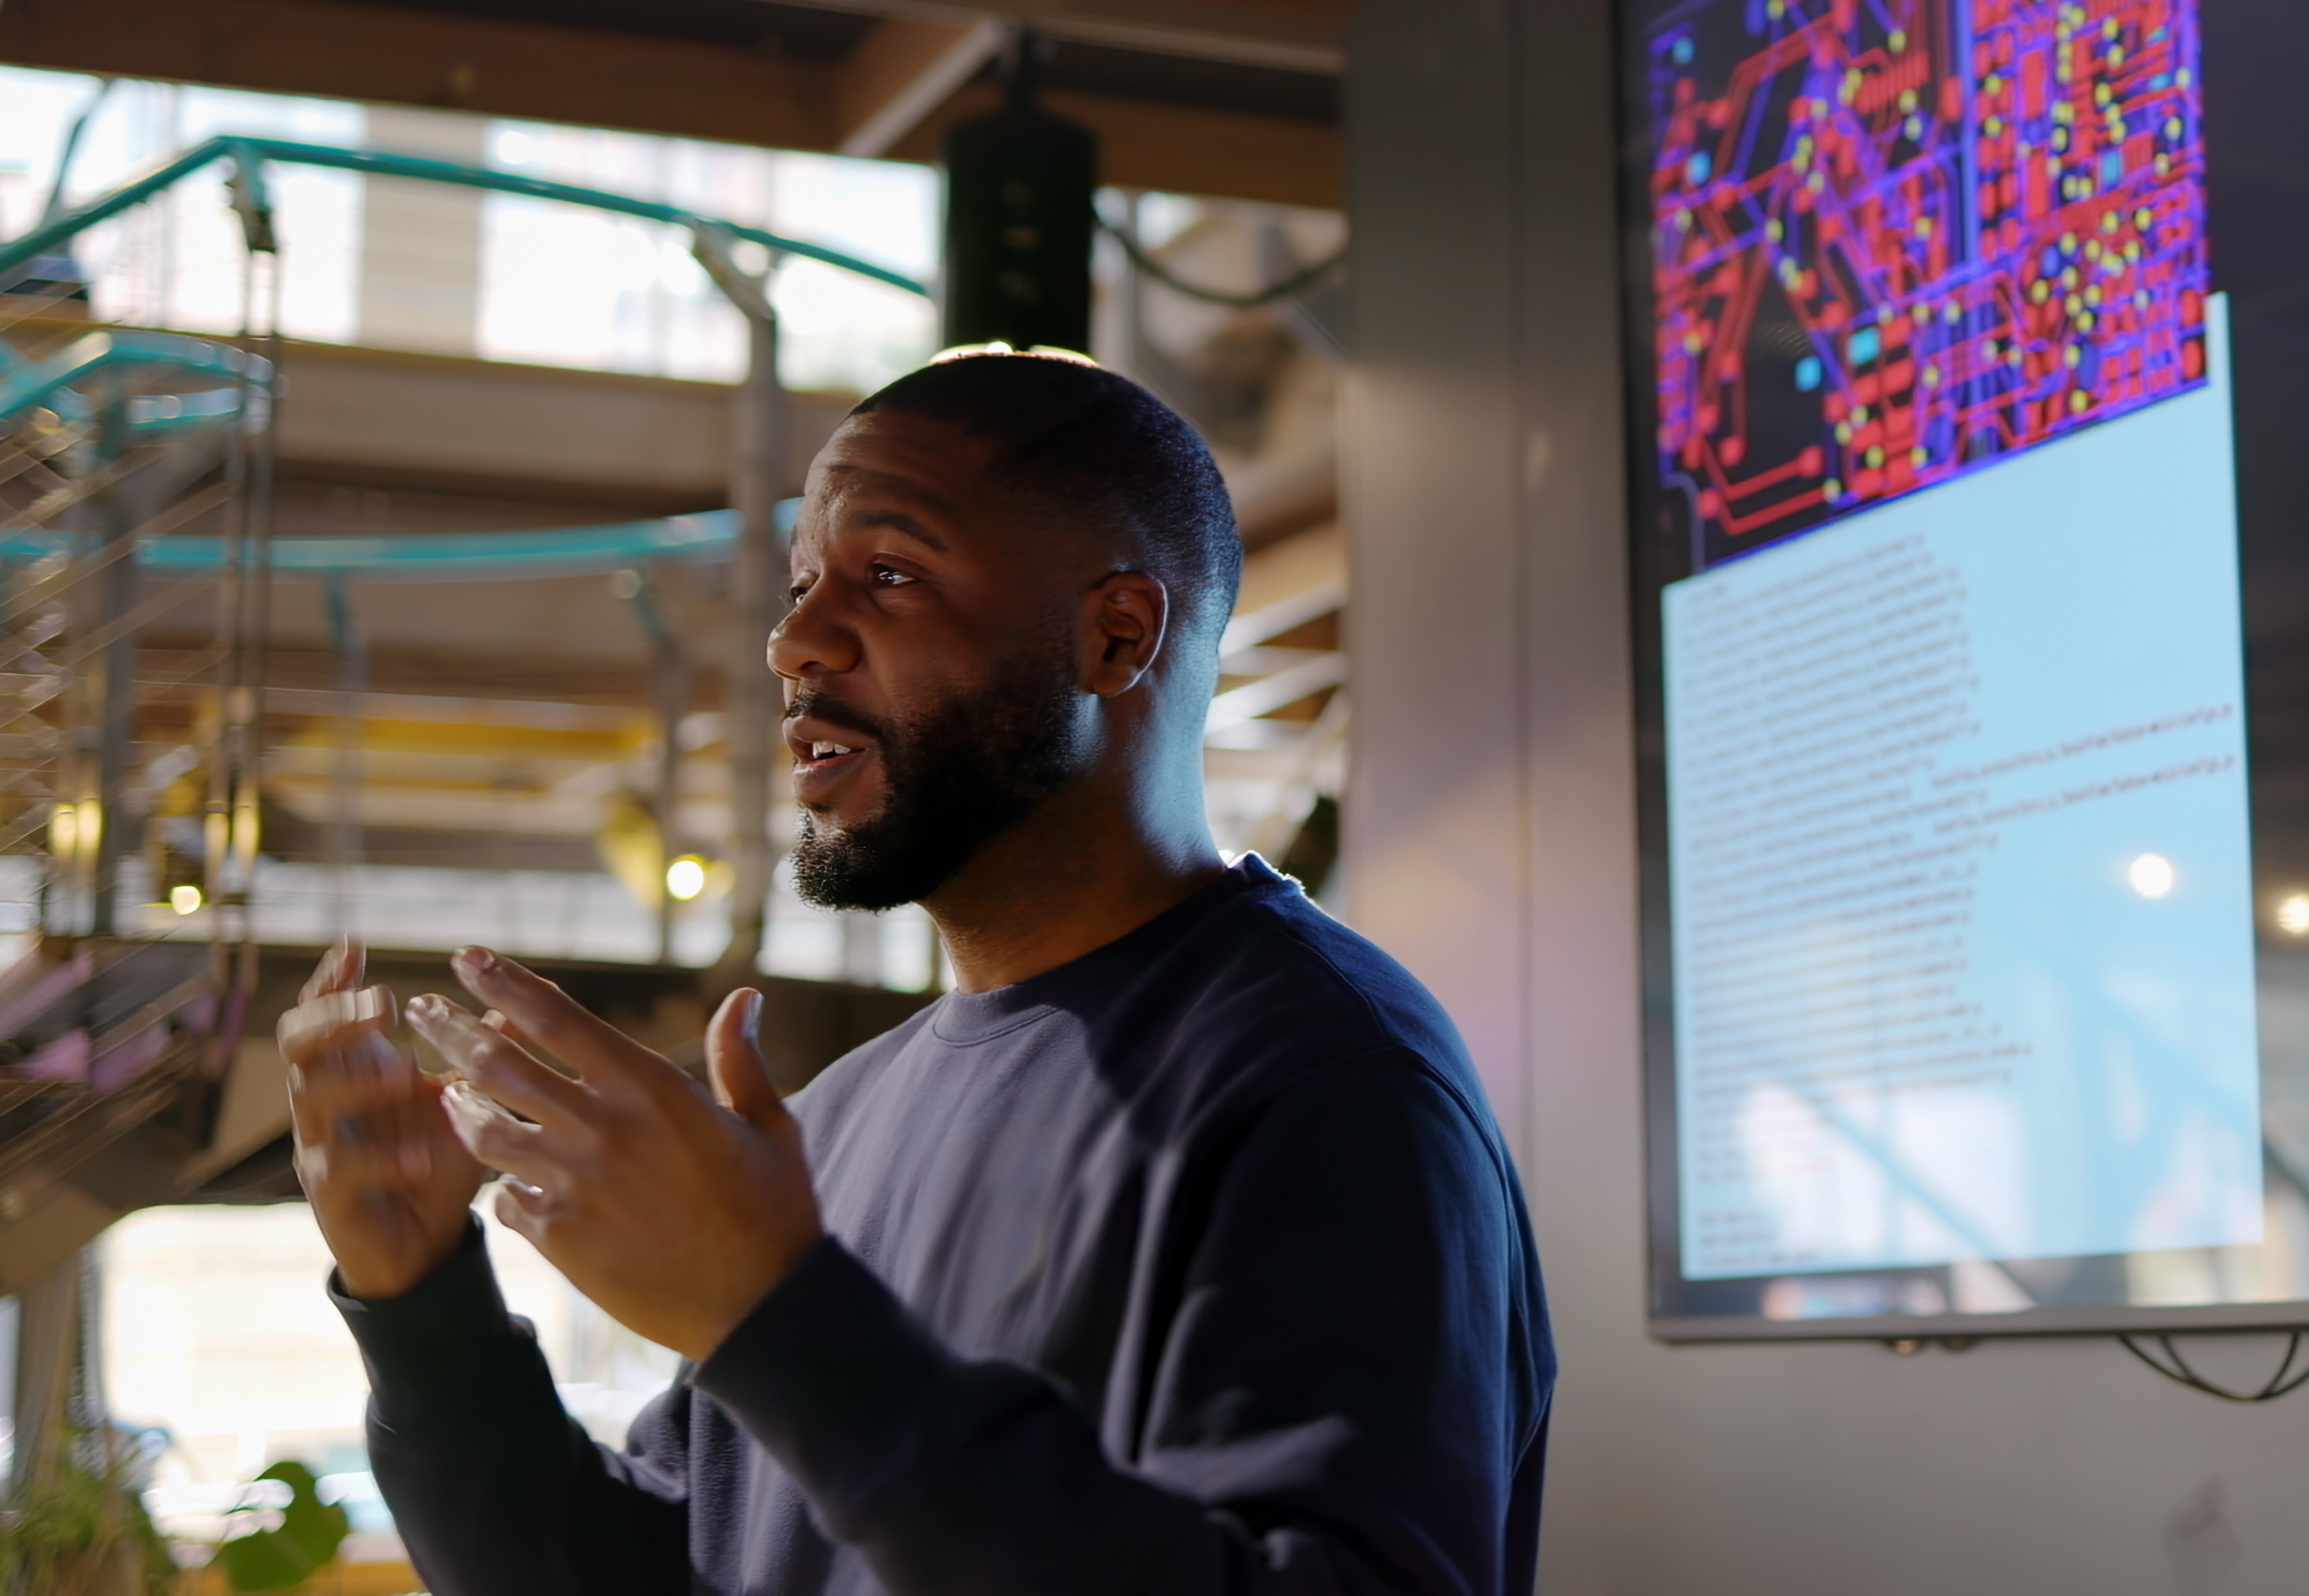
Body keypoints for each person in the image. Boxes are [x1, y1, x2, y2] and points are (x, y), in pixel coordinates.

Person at [273, 351, 1553, 1595]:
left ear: (1114, 637)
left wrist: (775, 1318)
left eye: (888, 574)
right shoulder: (831, 1118)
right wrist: (426, 1307)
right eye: (800, 583)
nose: (794, 644)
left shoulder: (1331, 1082)